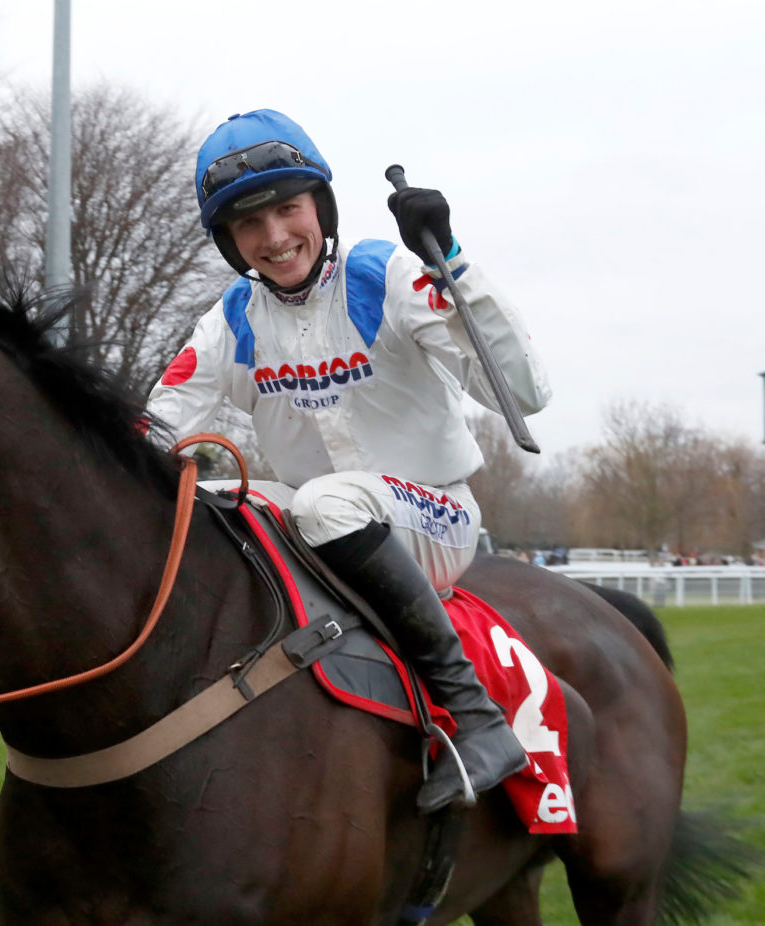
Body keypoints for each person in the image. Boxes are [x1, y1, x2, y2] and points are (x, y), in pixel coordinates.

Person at [147, 109, 552, 813]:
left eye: (287, 209)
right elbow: (156, 427)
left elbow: (523, 393)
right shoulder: (230, 319)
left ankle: (478, 718)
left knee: (323, 501)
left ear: (320, 207)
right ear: (229, 241)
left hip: (437, 518)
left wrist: (452, 261)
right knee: (219, 500)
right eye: (249, 224)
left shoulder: (385, 274)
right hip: (319, 523)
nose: (274, 238)